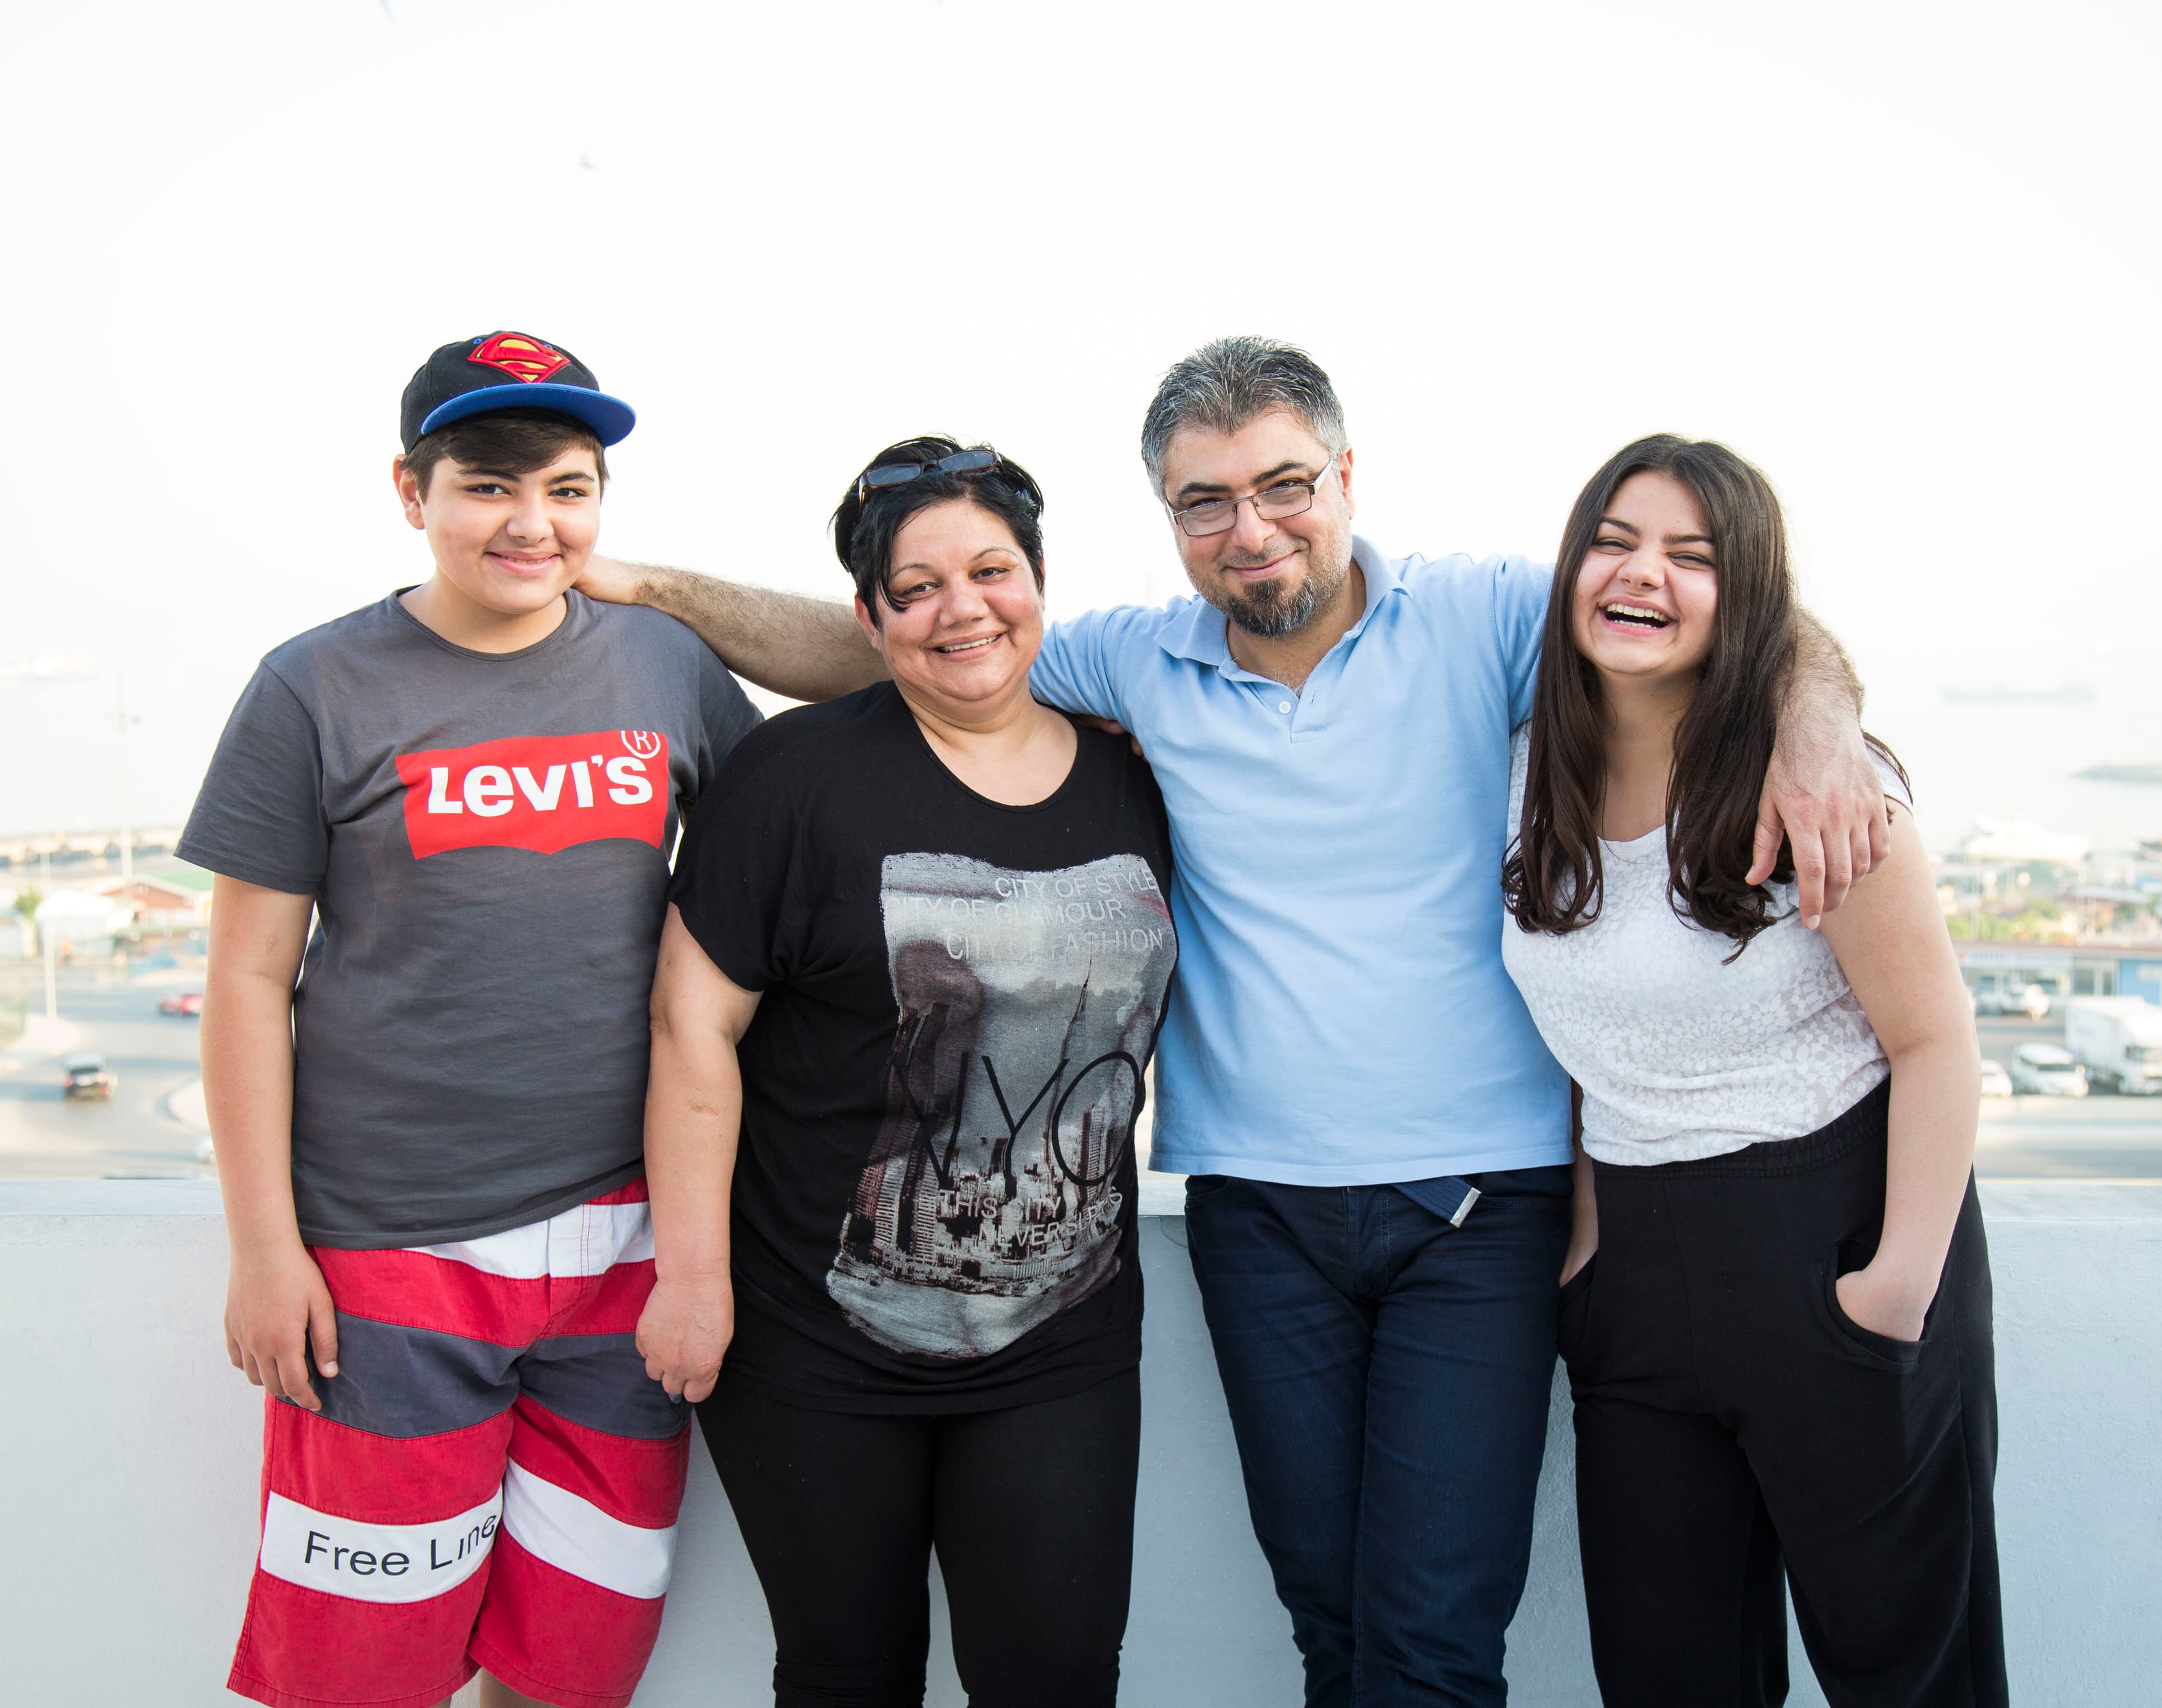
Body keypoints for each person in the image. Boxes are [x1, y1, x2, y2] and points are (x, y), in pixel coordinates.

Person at [578, 338, 1889, 1707]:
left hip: (1479, 1205)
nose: (1250, 528)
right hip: (1259, 1211)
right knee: (1330, 1621)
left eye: (1283, 485)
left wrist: (1820, 725)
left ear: (1345, 475)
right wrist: (647, 585)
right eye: (1205, 500)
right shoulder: (1133, 661)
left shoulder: (1488, 614)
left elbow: (1722, 613)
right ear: (1167, 516)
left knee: (1433, 1638)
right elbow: (894, 642)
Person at [186, 332, 761, 1708]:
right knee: (363, 1676)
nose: (531, 522)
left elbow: (846, 739)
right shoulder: (314, 685)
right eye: (488, 485)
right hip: (390, 1257)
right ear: (411, 489)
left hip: (625, 1255)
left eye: (568, 488)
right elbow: (248, 979)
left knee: (572, 1669)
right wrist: (266, 1251)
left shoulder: (665, 666)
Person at [636, 438, 1170, 1708]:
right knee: (846, 1673)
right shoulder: (794, 779)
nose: (961, 608)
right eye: (916, 587)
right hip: (812, 1335)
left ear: (1038, 582)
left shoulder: (1139, 774)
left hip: (1062, 1334)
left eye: (991, 570)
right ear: (870, 618)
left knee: (1054, 1674)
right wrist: (692, 1282)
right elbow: (689, 1031)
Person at [1502, 435, 2003, 1706]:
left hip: (1829, 1243)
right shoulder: (1527, 770)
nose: (1642, 575)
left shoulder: (1820, 785)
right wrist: (1587, 1250)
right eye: (1614, 540)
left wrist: (1893, 1292)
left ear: (1750, 595)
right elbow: (1589, 1036)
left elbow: (1938, 1042)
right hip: (1636, 1279)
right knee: (1670, 1678)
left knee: (1908, 1677)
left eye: (1694, 556)